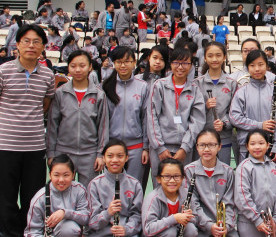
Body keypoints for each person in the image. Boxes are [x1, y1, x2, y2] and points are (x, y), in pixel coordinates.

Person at [0, 24, 56, 237]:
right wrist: (5, 125)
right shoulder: (1, 72)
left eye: (36, 42)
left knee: (32, 197)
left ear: (43, 47)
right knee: (5, 196)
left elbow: (45, 105)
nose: (31, 46)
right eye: (26, 41)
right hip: (6, 146)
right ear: (17, 44)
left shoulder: (47, 75)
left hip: (35, 146)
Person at [87, 139, 149, 237]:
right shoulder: (94, 184)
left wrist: (126, 229)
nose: (115, 160)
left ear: (126, 158)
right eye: (110, 156)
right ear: (104, 158)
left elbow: (136, 215)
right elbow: (92, 222)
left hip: (125, 235)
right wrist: (107, 213)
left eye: (120, 156)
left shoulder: (134, 184)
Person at [186, 130, 249, 237]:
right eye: (202, 145)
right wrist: (209, 226)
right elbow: (193, 205)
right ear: (197, 147)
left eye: (211, 145)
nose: (206, 149)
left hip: (224, 227)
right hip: (202, 227)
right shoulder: (189, 171)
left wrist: (227, 225)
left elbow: (231, 203)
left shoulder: (228, 171)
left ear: (219, 146)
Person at [25, 155, 89, 237]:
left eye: (66, 175)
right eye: (56, 175)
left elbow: (86, 217)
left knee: (69, 227)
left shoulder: (79, 190)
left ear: (73, 175)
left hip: (65, 234)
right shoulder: (40, 197)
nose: (61, 180)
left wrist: (66, 213)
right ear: (50, 175)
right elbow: (31, 231)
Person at [47, 50, 108, 187]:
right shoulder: (60, 93)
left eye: (82, 65)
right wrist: (51, 153)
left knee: (89, 193)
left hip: (90, 154)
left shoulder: (99, 95)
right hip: (63, 152)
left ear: (90, 67)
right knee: (63, 191)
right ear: (68, 67)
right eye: (73, 66)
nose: (78, 70)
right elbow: (52, 125)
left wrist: (100, 154)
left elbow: (103, 127)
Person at [148, 47, 206, 176]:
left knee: (183, 183)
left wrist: (185, 147)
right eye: (176, 63)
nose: (180, 67)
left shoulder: (195, 89)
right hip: (160, 148)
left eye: (185, 63)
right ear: (171, 64)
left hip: (184, 149)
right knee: (161, 183)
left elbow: (197, 121)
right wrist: (159, 147)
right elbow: (152, 117)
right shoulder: (159, 85)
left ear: (191, 65)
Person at [234, 129, 276, 237]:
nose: (257, 147)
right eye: (252, 144)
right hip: (249, 222)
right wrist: (257, 220)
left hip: (270, 223)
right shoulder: (244, 167)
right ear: (247, 146)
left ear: (268, 145)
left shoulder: (275, 168)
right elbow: (242, 197)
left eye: (261, 143)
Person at [141, 157, 198, 237]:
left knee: (191, 229)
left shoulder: (186, 194)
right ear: (159, 179)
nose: (172, 180)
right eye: (167, 176)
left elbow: (195, 219)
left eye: (176, 176)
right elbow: (148, 229)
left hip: (172, 236)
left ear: (183, 178)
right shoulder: (153, 198)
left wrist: (189, 217)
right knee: (170, 232)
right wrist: (174, 219)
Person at [102, 47, 150, 183]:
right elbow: (103, 121)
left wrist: (146, 147)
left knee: (134, 186)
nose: (123, 65)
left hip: (136, 147)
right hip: (112, 147)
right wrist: (102, 149)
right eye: (119, 62)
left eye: (127, 61)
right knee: (112, 187)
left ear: (134, 62)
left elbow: (146, 119)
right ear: (114, 64)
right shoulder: (106, 86)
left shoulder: (142, 86)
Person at [229, 50, 276, 162]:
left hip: (268, 146)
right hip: (247, 146)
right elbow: (234, 118)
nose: (257, 69)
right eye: (252, 65)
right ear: (247, 68)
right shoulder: (241, 91)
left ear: (267, 66)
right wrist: (259, 125)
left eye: (260, 64)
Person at [195, 42, 236, 165]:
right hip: (202, 136)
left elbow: (235, 112)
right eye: (210, 55)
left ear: (224, 57)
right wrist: (205, 107)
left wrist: (224, 124)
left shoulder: (232, 83)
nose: (214, 59)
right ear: (205, 58)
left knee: (223, 171)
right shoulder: (197, 83)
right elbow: (192, 112)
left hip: (224, 137)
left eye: (218, 55)